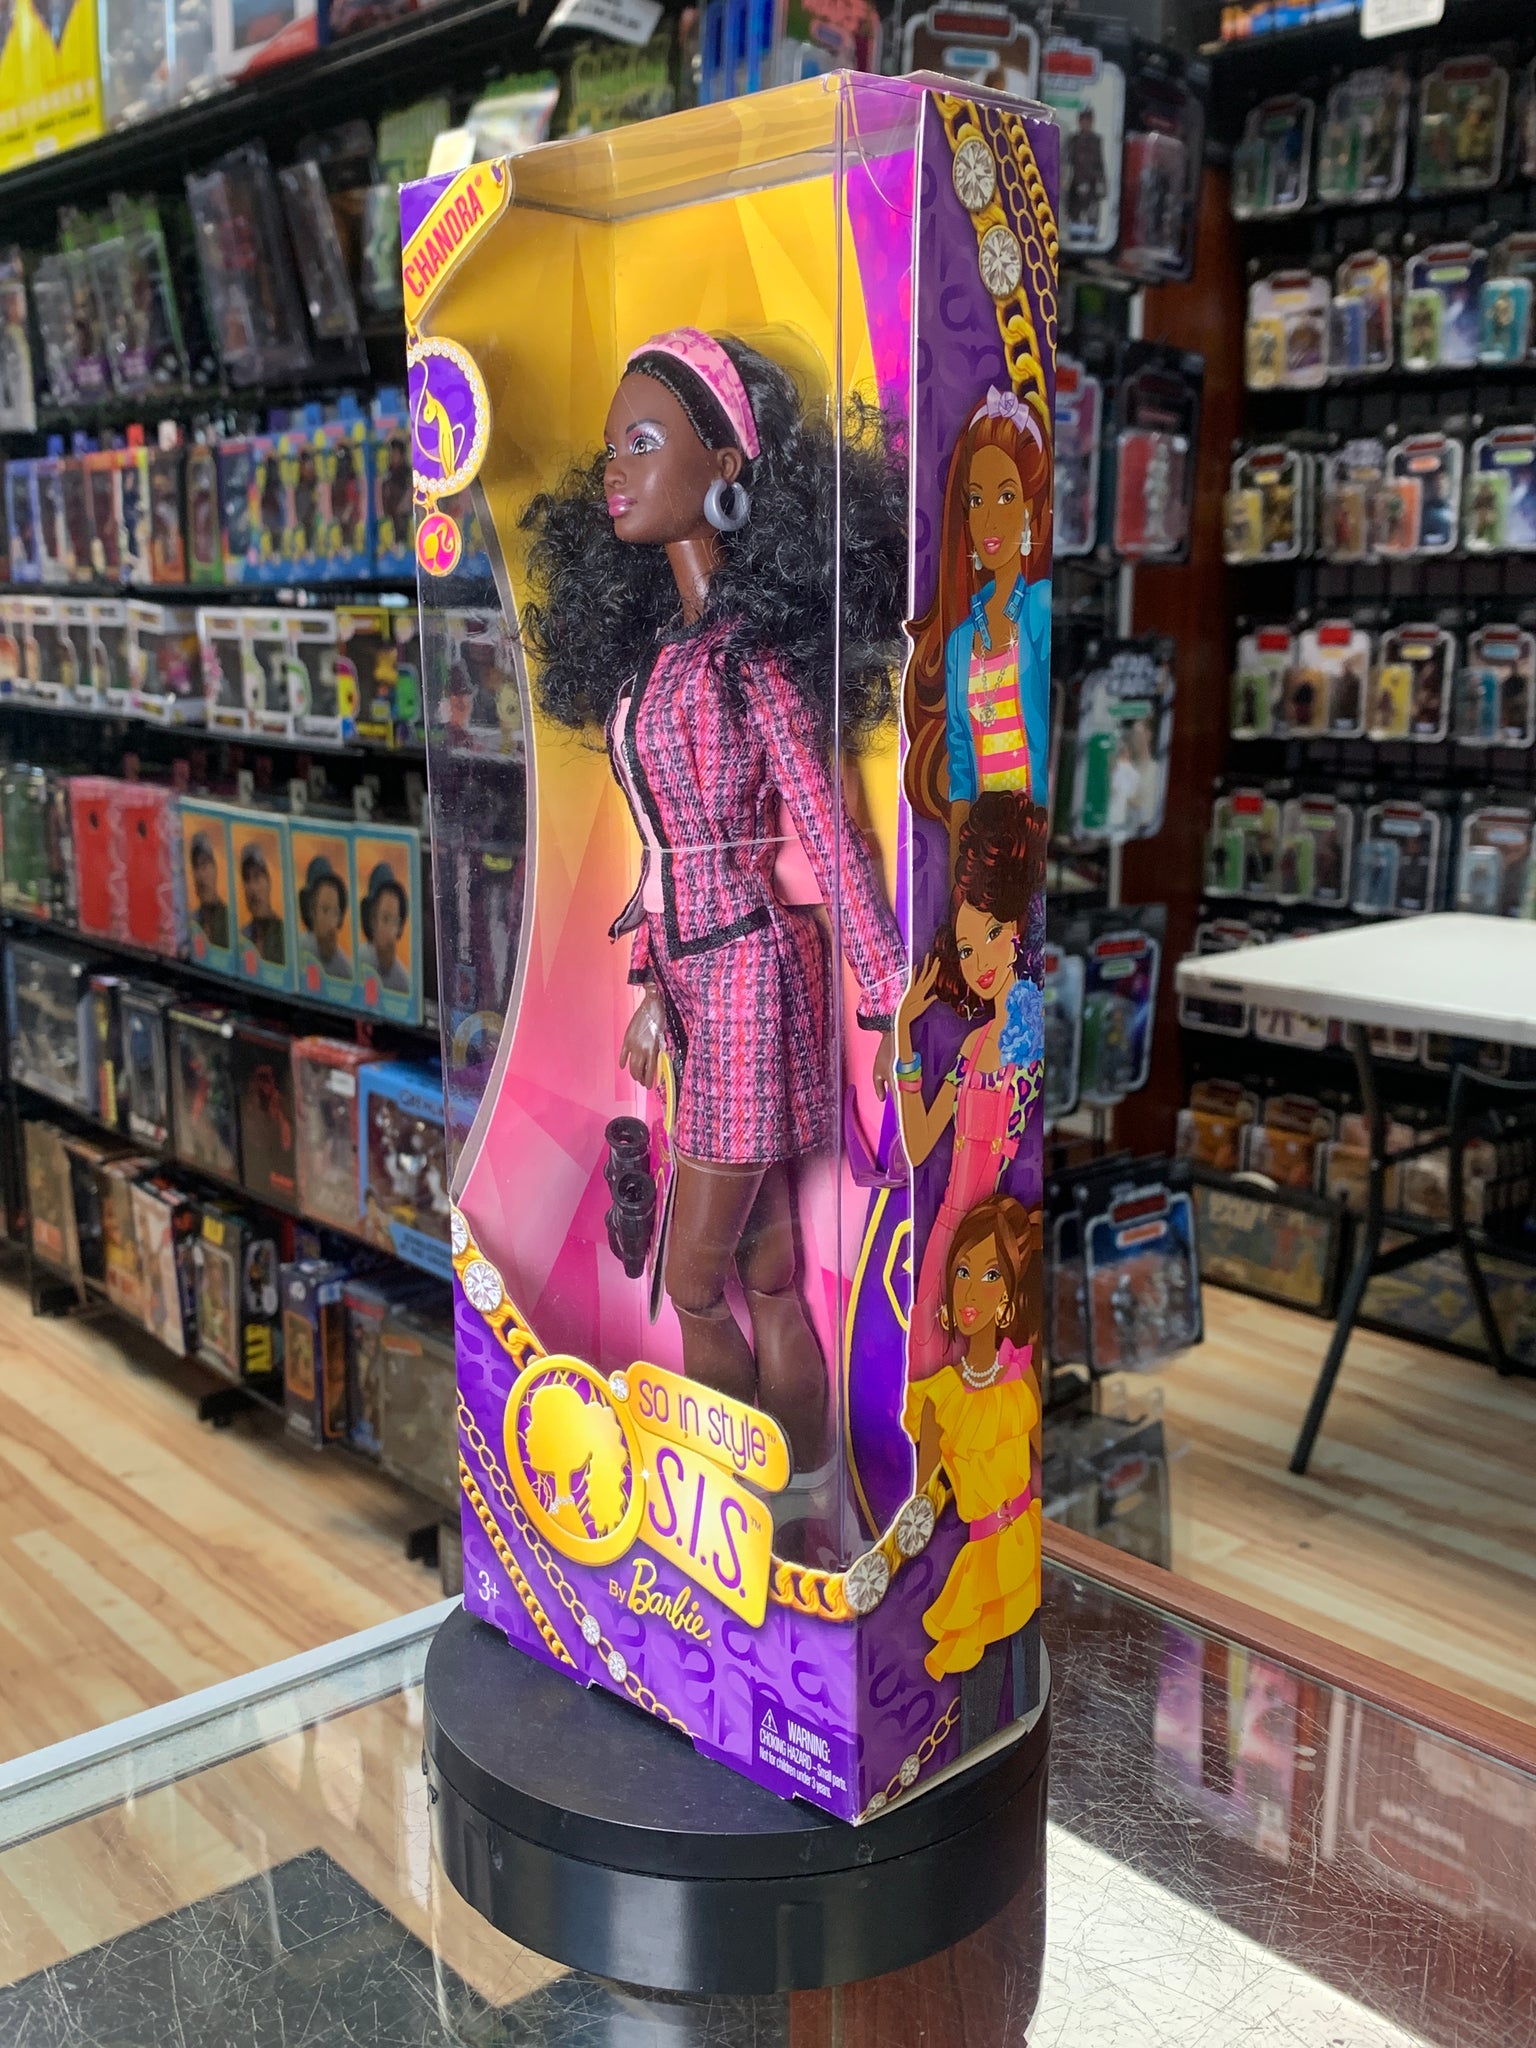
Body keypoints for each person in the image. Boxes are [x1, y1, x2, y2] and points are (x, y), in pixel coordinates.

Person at [521, 327, 906, 1473]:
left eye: (644, 441)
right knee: (768, 1271)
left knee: (692, 1279)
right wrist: (651, 985)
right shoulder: (663, 659)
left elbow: (827, 831)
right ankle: (804, 1497)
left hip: (748, 976)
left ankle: (742, 1487)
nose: (617, 469)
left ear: (726, 463)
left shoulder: (750, 659)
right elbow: (663, 852)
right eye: (612, 448)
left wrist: (890, 997)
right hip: (700, 976)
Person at [895, 792, 1045, 1378]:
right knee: (926, 1360)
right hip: (945, 1233)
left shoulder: (1028, 1034)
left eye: (990, 934)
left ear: (1015, 931)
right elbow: (918, 1145)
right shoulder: (974, 1045)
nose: (977, 960)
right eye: (964, 947)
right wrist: (903, 1032)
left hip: (987, 1244)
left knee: (967, 1368)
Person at [903, 1192, 1042, 1748]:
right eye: (963, 1272)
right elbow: (920, 1503)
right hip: (982, 1561)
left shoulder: (1021, 1376)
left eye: (989, 1275)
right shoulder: (940, 1397)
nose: (971, 1291)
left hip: (1027, 1540)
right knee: (980, 1720)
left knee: (1025, 1692)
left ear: (1007, 1294)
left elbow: (1038, 1458)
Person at [905, 385, 1052, 876]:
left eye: (1006, 496)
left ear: (1029, 508)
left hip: (1029, 850)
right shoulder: (961, 641)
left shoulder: (1040, 608)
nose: (988, 518)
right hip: (982, 860)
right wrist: (958, 883)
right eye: (976, 499)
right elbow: (962, 771)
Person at [297, 853, 353, 981]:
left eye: (336, 913)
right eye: (325, 910)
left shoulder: (346, 970)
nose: (332, 924)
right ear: (311, 911)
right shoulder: (296, 951)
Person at [359, 862, 412, 993]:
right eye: (385, 919)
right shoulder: (357, 962)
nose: (390, 932)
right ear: (372, 919)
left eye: (395, 922)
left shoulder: (404, 982)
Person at [239, 842, 285, 965]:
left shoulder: (286, 937)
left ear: (268, 882)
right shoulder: (242, 938)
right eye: (247, 879)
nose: (252, 888)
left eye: (257, 877)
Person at [189, 832, 229, 950]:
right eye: (196, 867)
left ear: (215, 869)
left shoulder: (229, 920)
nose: (200, 875)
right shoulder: (192, 921)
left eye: (205, 865)